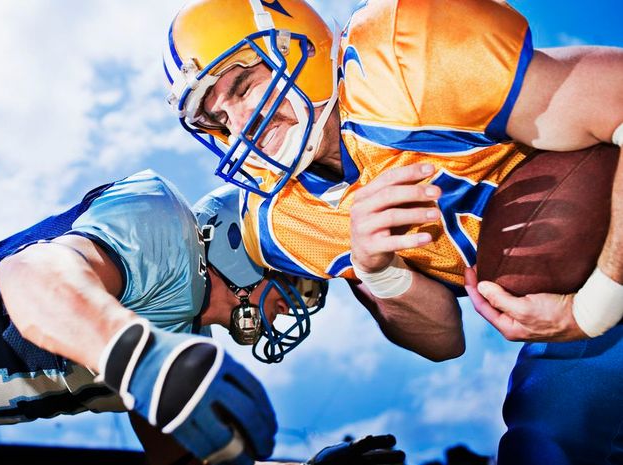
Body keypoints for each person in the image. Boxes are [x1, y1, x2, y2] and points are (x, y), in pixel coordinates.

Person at [162, 0, 623, 463]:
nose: (240, 127)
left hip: (604, 255)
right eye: (217, 120)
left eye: (242, 87)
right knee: (545, 447)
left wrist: (600, 300)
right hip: (569, 313)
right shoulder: (283, 218)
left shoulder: (396, 58)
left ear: (297, 43)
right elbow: (443, 342)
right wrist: (378, 270)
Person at [0, 170, 330, 465]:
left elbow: (182, 463)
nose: (293, 304)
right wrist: (140, 359)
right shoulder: (163, 223)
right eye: (296, 283)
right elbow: (30, 275)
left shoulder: (179, 337)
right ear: (240, 243)